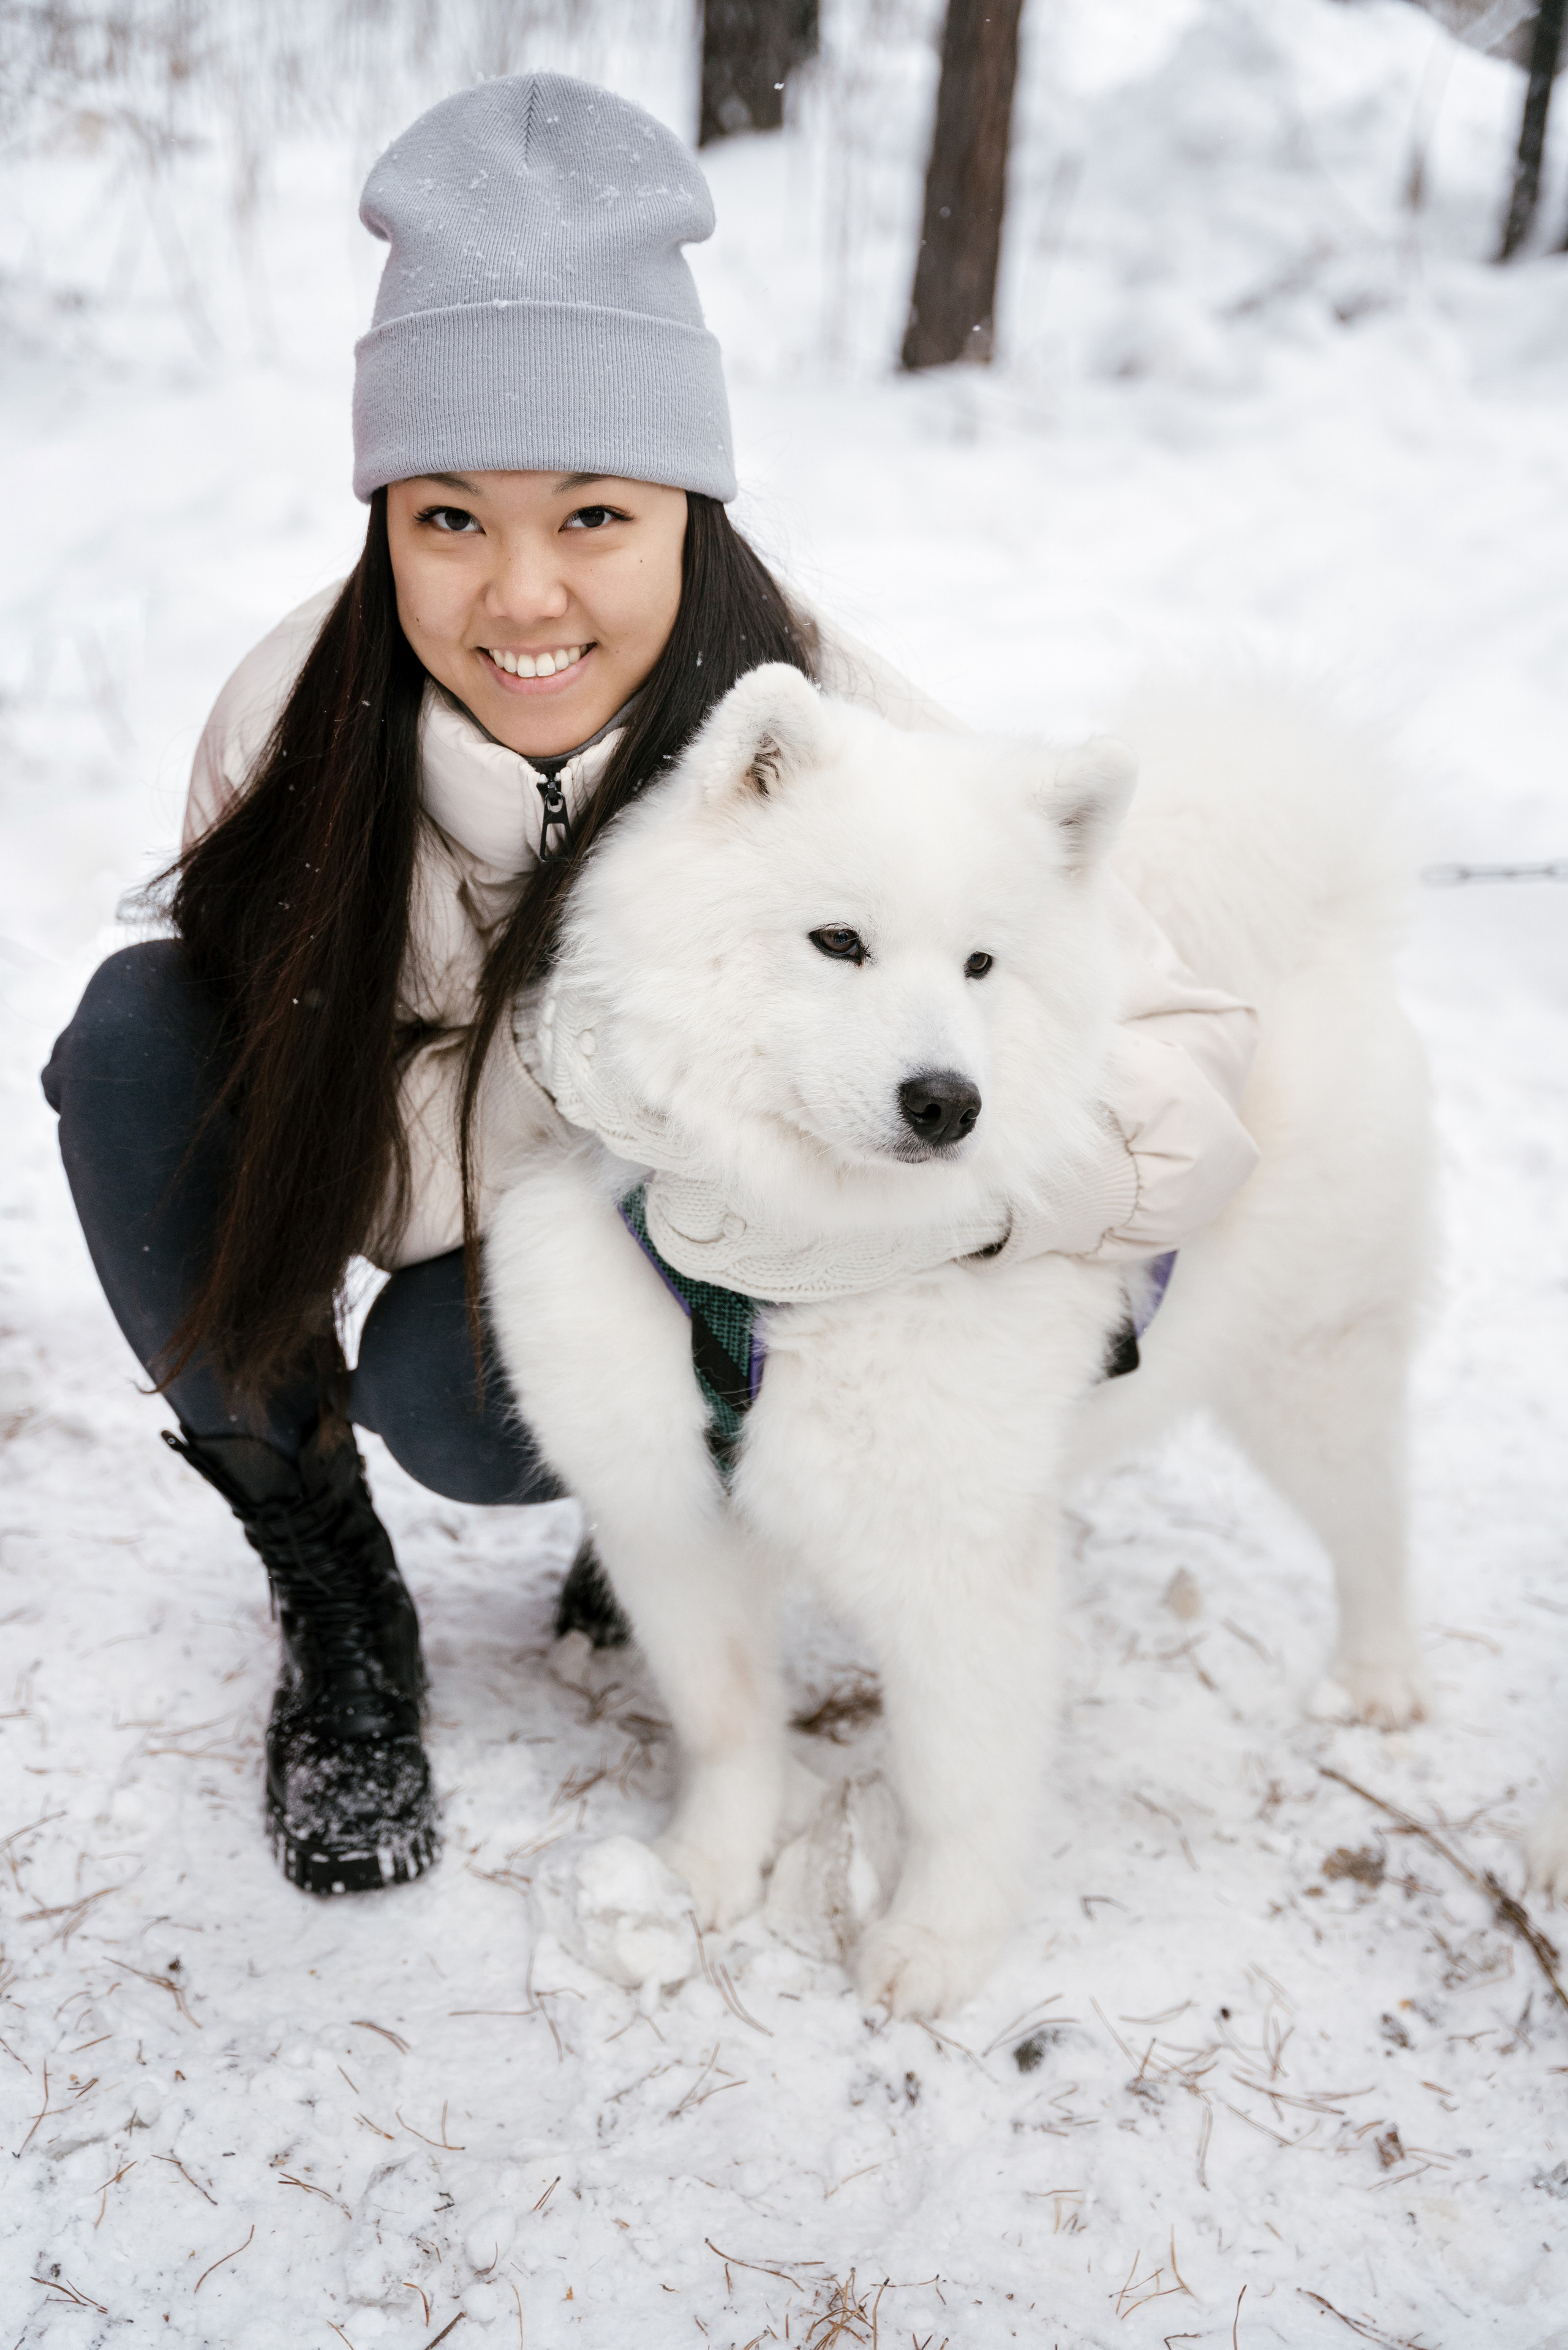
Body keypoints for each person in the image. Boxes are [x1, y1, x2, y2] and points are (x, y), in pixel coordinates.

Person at [41, 73, 1261, 1901]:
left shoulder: (820, 711)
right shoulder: (289, 719)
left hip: (726, 1267)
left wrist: (997, 1207)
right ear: (383, 516)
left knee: (471, 1394)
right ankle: (332, 1590)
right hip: (474, 1233)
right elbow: (258, 1067)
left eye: (594, 513)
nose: (521, 592)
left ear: (686, 501)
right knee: (141, 1049)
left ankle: (681, 1485)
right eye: (448, 517)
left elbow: (1171, 1064)